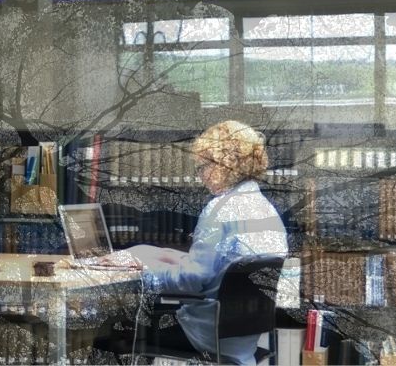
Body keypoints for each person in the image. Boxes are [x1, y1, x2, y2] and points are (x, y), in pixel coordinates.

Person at [98, 120, 289, 365]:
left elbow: (193, 280)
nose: (200, 176)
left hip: (205, 335)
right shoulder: (266, 211)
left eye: (202, 167)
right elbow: (223, 266)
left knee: (108, 332)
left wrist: (142, 272)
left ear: (223, 163)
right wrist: (161, 255)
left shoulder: (220, 209)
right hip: (241, 337)